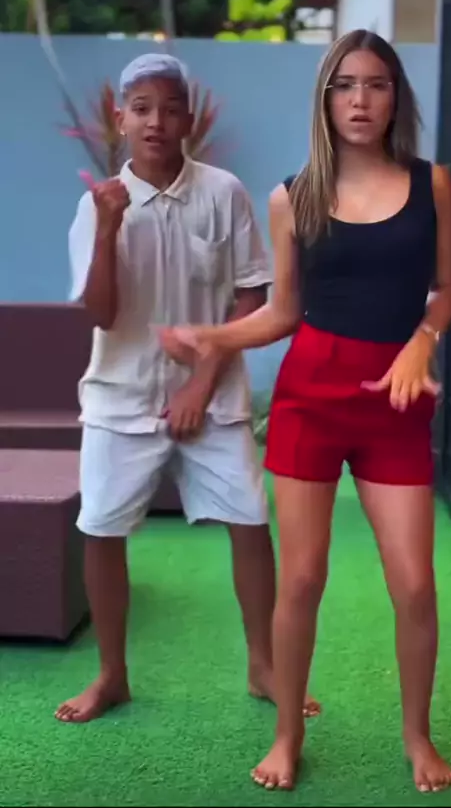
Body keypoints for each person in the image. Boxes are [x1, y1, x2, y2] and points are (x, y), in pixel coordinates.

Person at [160, 31, 451, 793]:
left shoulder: (432, 185)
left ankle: (416, 736)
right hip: (310, 401)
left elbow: (448, 290)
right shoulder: (291, 198)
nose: (361, 100)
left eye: (377, 85)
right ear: (325, 100)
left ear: (396, 98)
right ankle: (288, 733)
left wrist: (422, 342)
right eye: (345, 85)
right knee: (300, 580)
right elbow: (283, 313)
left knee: (415, 586)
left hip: (394, 402)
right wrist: (215, 337)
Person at [56, 53, 320, 724]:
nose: (156, 122)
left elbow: (251, 295)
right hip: (119, 397)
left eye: (170, 109)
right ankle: (112, 675)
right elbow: (100, 315)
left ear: (189, 120)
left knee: (250, 521)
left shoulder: (223, 192)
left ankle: (263, 666)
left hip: (214, 398)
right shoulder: (96, 207)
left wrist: (200, 385)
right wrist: (109, 227)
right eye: (142, 109)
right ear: (120, 118)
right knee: (100, 529)